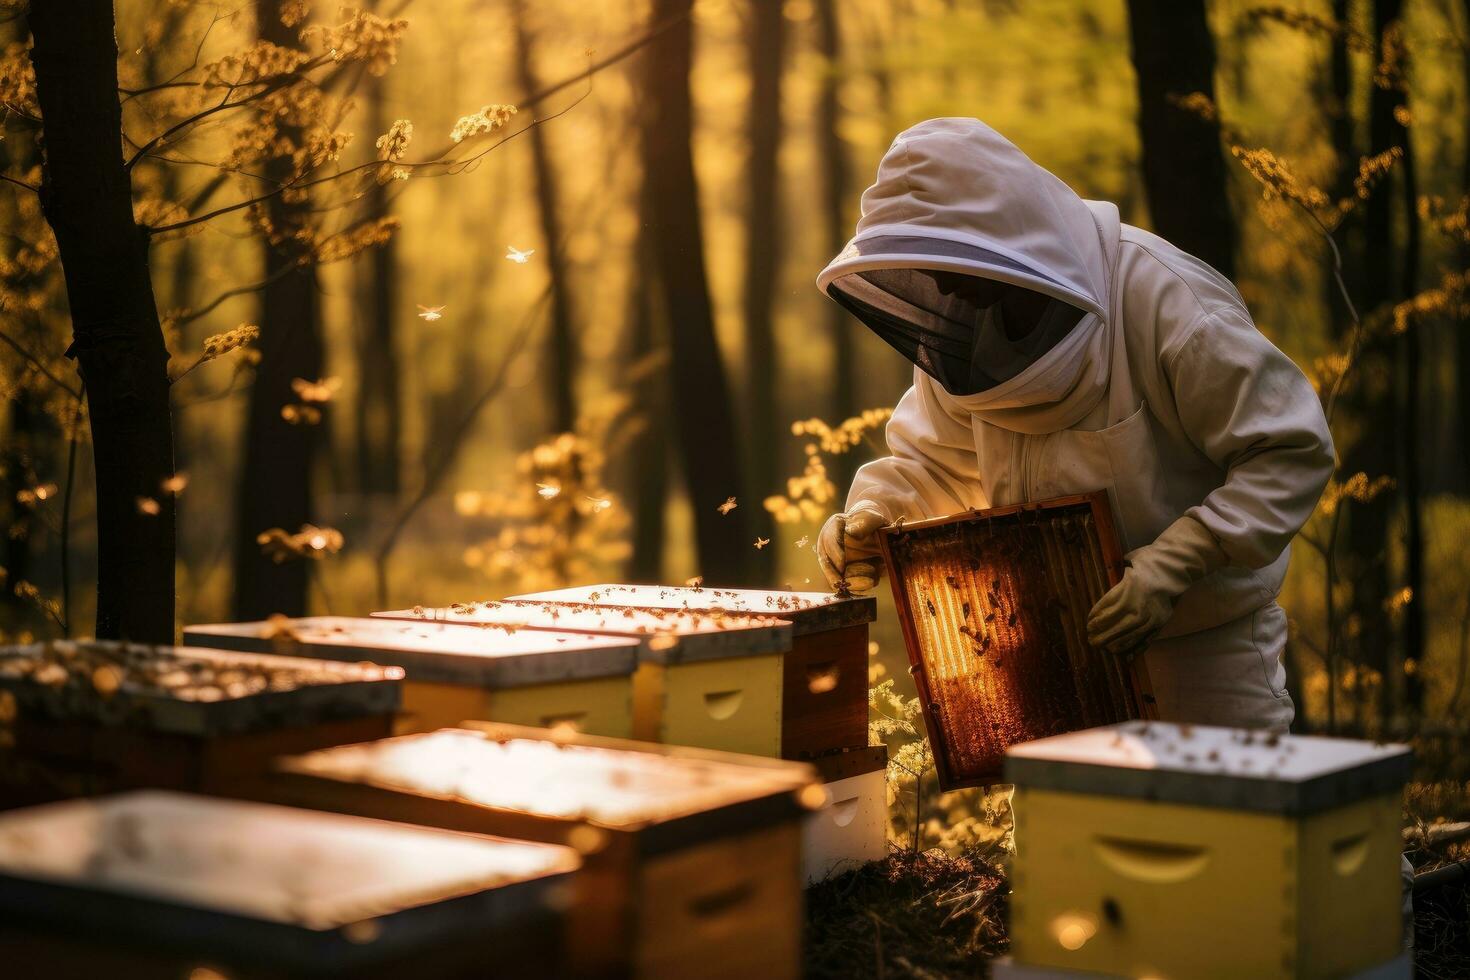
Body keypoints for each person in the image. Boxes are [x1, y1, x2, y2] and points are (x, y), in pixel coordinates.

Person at [814, 117, 1335, 732]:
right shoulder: (964, 335)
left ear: (1010, 235)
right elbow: (937, 462)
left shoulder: (1167, 302)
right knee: (1068, 825)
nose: (944, 285)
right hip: (1047, 650)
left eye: (956, 263)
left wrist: (1179, 559)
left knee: (1226, 821)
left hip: (1205, 652)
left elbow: (1288, 448)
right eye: (931, 267)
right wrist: (878, 515)